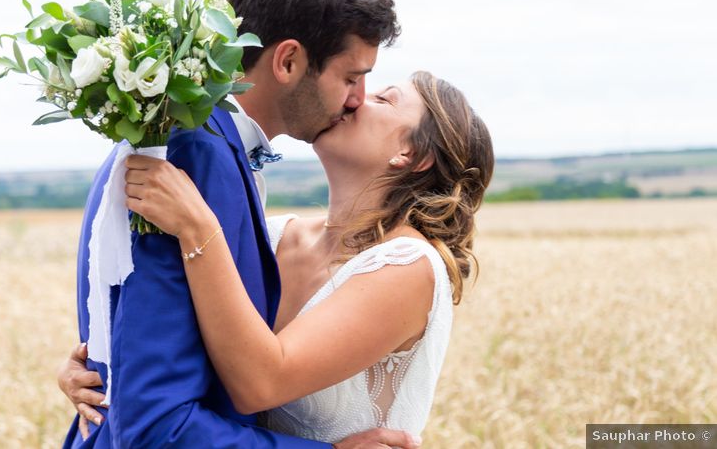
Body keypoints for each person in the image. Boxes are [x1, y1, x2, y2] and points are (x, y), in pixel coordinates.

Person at [60, 0, 421, 448]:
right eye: (352, 76)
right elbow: (155, 426)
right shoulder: (194, 154)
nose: (358, 99)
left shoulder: (184, 138)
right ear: (289, 61)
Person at [122, 71, 494, 443]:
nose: (355, 98)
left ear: (411, 153)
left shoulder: (407, 265)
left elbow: (261, 383)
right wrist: (102, 367)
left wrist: (197, 229)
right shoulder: (275, 235)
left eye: (384, 99)